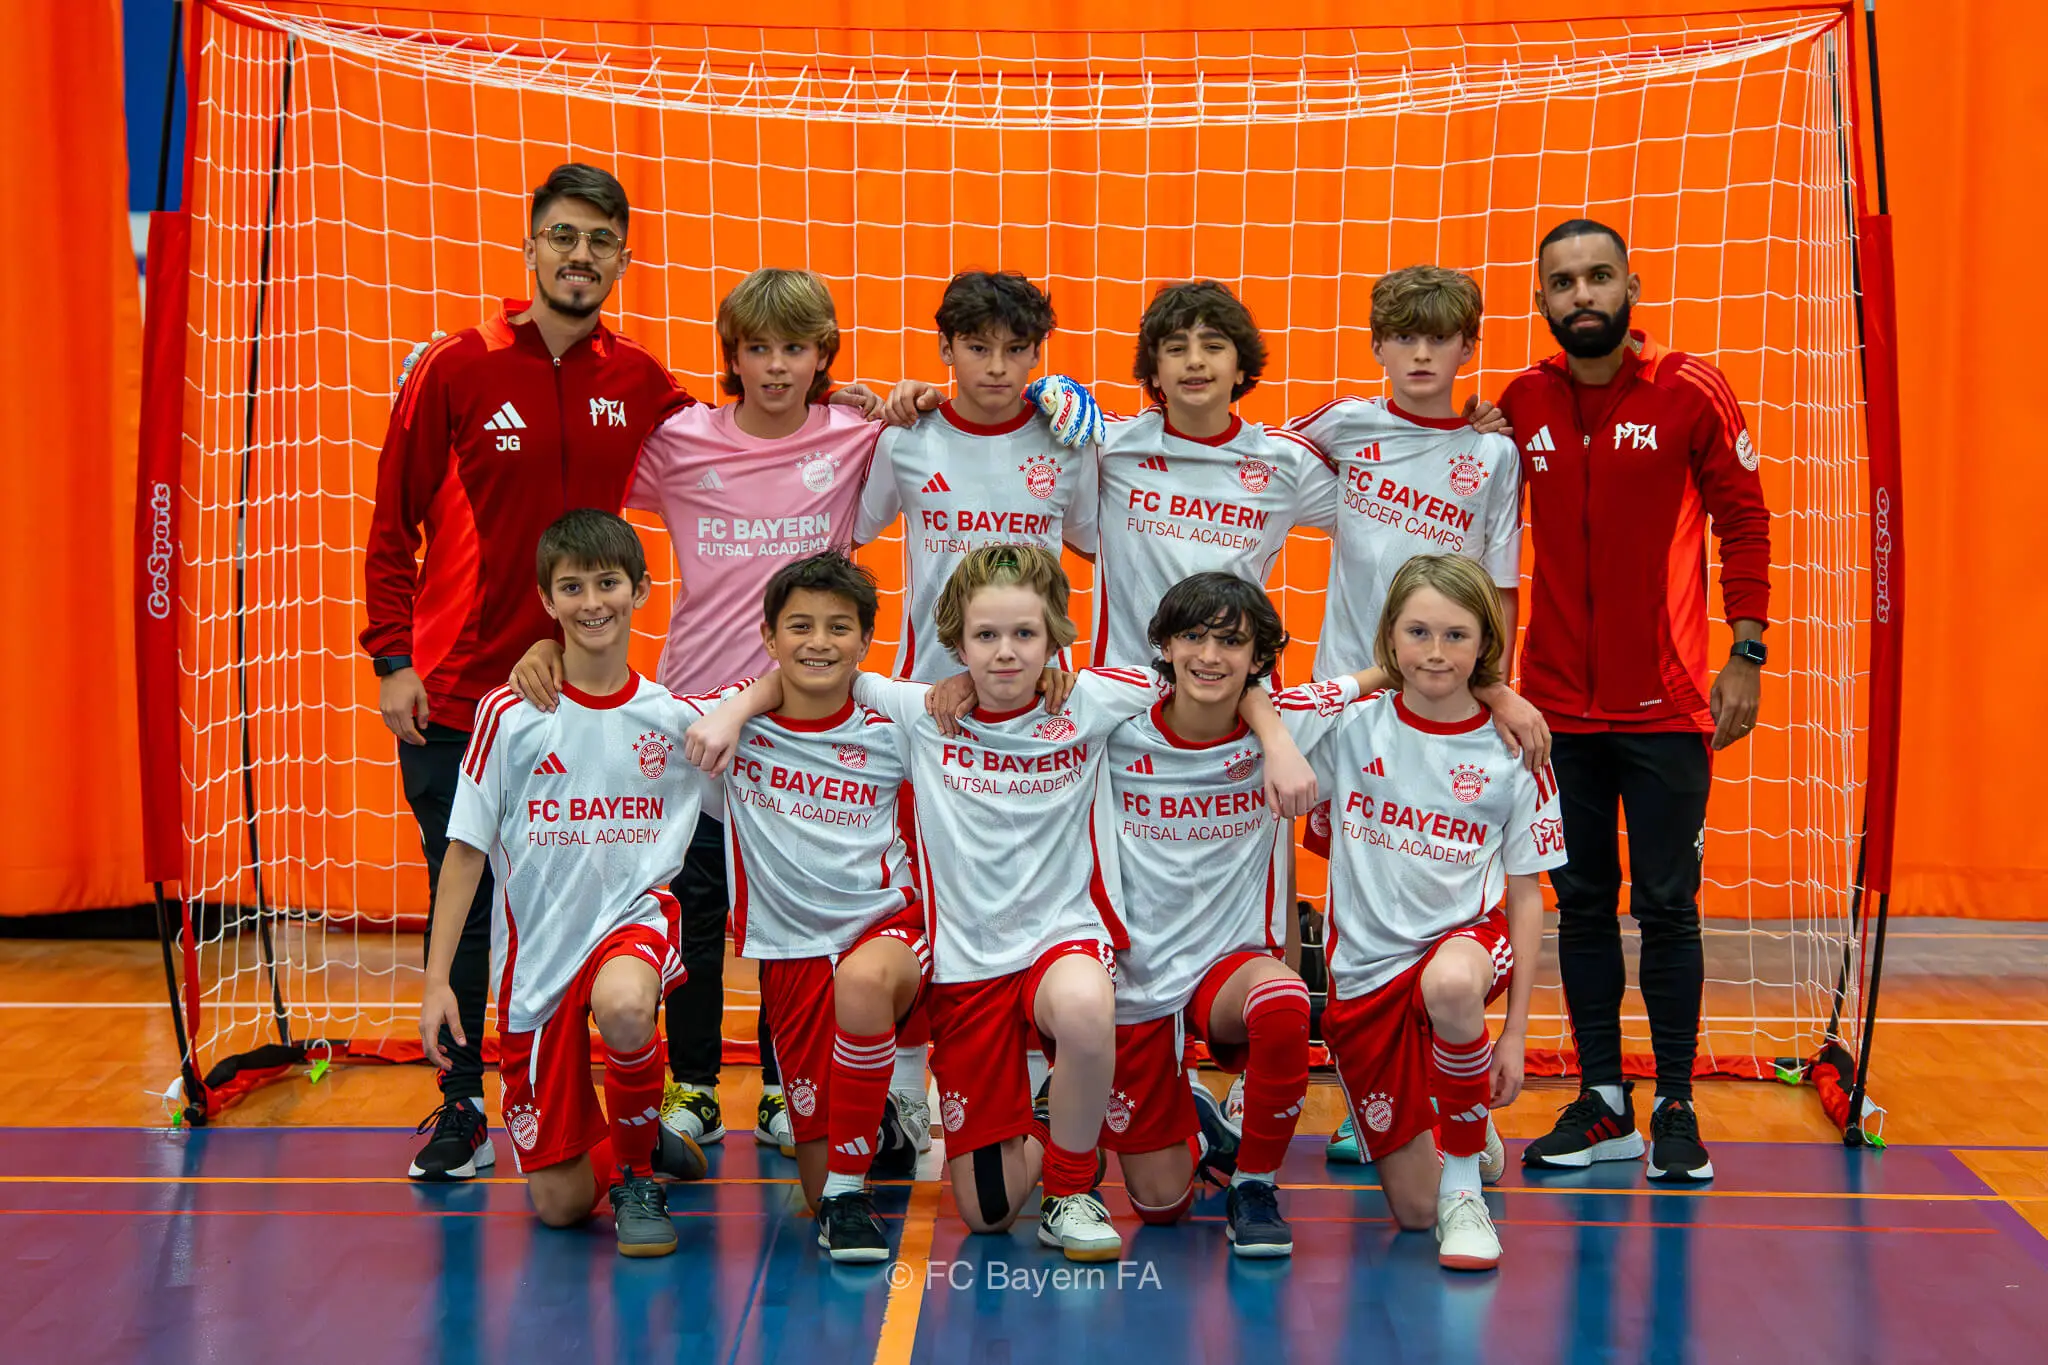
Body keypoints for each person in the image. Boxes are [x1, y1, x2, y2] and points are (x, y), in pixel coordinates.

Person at [512, 270, 1098, 1159]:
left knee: (818, 910)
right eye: (760, 349)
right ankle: (697, 1086)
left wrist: (923, 398)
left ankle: (802, 1090)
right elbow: (579, 502)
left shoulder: (863, 433)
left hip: (820, 720)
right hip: (700, 713)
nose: (778, 367)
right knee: (698, 906)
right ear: (734, 357)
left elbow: (961, 427)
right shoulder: (681, 440)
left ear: (823, 359)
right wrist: (550, 629)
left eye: (797, 350)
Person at [364, 163, 697, 1181]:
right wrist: (391, 660)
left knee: (599, 898)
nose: (579, 256)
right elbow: (391, 528)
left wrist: (848, 406)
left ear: (623, 260)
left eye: (600, 241)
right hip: (462, 692)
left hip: (587, 703)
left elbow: (740, 450)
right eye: (562, 236)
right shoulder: (454, 366)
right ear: (529, 246)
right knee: (460, 894)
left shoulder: (638, 381)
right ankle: (464, 1106)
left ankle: (638, 1099)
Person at [1502, 220, 1771, 1184]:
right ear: (1541, 302)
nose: (1583, 294)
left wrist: (1746, 649)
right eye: (1563, 282)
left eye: (1599, 277)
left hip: (1665, 707)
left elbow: (1744, 522)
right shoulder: (1521, 401)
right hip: (1554, 714)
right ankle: (1604, 1100)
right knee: (1580, 904)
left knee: (1668, 907)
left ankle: (1676, 1107)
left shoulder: (1689, 389)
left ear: (1631, 287)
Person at [1284, 264, 1547, 1164]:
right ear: (1378, 346)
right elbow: (1246, 458)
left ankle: (1461, 1095)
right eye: (1405, 335)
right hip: (1352, 708)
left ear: (1470, 348)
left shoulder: (1495, 455)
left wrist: (1499, 682)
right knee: (1357, 892)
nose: (1423, 352)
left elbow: (1502, 584)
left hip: (1450, 706)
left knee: (1442, 894)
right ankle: (1377, 1095)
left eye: (1443, 338)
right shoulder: (1343, 427)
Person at [417, 509, 719, 1257]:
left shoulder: (676, 718)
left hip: (630, 924)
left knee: (624, 1008)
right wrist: (435, 980)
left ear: (642, 590)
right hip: (537, 963)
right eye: (573, 586)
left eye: (609, 583)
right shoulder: (507, 713)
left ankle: (639, 1173)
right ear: (547, 601)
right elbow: (464, 854)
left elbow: (777, 698)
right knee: (557, 1208)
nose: (593, 602)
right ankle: (631, 1135)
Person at [1276, 554, 1564, 1271]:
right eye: (1419, 632)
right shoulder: (1352, 728)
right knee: (1409, 1212)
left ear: (1484, 642)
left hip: (1465, 946)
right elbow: (1269, 717)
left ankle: (1465, 1179)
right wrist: (1379, 678)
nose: (1437, 652)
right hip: (1365, 974)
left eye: (1458, 635)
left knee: (1453, 986)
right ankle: (1465, 1122)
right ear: (1391, 636)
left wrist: (1517, 1033)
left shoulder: (1517, 747)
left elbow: (1527, 897)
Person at [681, 551, 930, 1262]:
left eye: (838, 627)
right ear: (768, 637)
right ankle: (872, 1128)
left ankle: (890, 1112)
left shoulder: (893, 721)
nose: (819, 641)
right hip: (791, 955)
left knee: (865, 981)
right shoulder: (731, 725)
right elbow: (630, 703)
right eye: (800, 626)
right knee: (816, 1188)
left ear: (865, 640)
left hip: (892, 938)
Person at [1099, 573, 1353, 1257]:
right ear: (1165, 644)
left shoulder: (1292, 722)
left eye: (1232, 641)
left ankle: (1254, 1183)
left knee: (1283, 1002)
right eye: (1194, 636)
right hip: (1137, 970)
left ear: (1259, 659)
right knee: (1160, 1209)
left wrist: (1497, 691)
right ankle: (1200, 1122)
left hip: (1230, 965)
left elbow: (1396, 670)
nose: (1211, 655)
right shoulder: (1114, 720)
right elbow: (1021, 678)